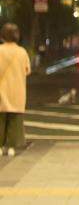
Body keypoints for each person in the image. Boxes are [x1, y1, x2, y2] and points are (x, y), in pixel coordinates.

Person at [0, 23, 31, 157]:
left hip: (2, 91)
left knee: (0, 120)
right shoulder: (22, 52)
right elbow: (27, 70)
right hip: (17, 91)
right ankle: (11, 147)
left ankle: (0, 147)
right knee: (14, 121)